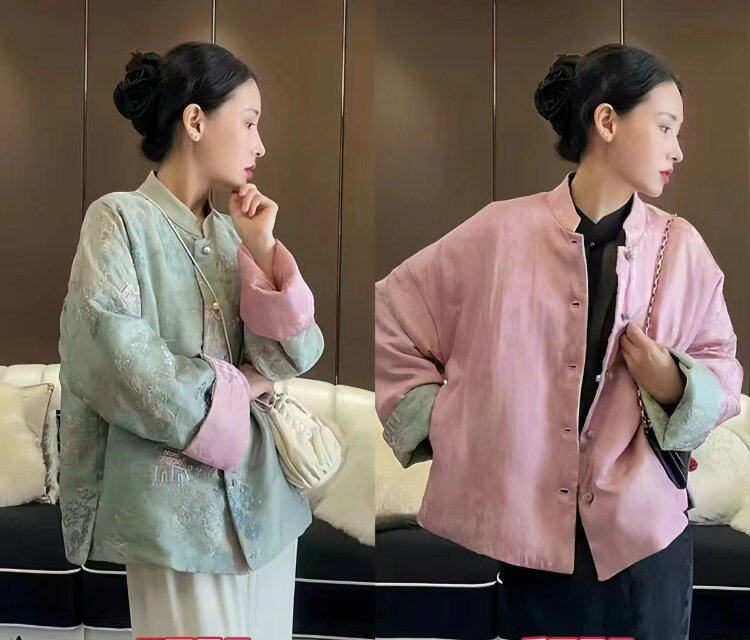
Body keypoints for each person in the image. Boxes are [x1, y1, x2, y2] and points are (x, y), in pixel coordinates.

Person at [374, 44, 743, 639]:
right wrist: (446, 423)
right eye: (665, 126)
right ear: (607, 122)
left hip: (647, 547)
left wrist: (675, 383)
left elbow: (724, 369)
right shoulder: (498, 233)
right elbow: (393, 314)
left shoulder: (682, 248)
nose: (678, 149)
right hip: (533, 546)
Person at [58, 41, 324, 639]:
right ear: (196, 120)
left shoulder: (235, 235)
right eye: (250, 122)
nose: (261, 145)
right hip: (175, 516)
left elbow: (291, 356)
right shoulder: (118, 219)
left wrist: (262, 248)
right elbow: (115, 359)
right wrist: (237, 390)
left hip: (268, 510)